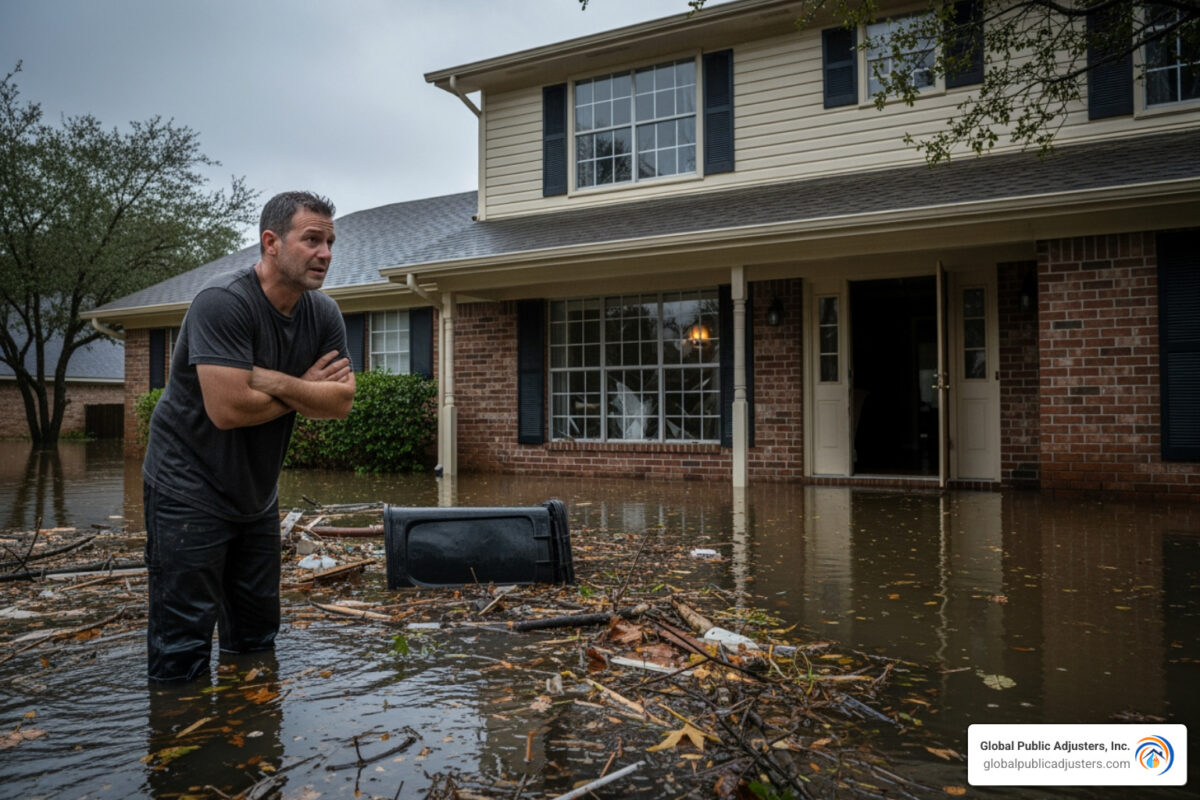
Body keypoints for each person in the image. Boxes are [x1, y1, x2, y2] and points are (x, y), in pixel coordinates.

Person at [142, 191, 355, 682]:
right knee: (182, 649)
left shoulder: (323, 314)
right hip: (185, 489)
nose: (325, 252)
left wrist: (277, 380)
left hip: (255, 496)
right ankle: (182, 747)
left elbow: (341, 402)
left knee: (256, 638)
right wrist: (307, 388)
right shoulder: (223, 303)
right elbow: (229, 408)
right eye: (312, 239)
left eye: (329, 241)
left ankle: (252, 747)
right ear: (271, 243)